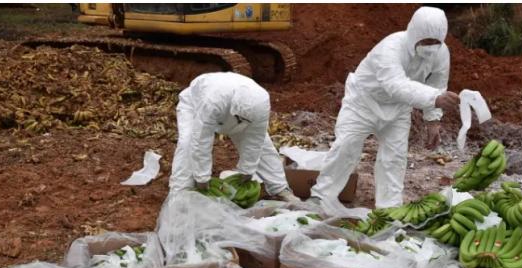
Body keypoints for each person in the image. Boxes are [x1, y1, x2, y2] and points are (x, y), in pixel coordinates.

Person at [310, 6, 460, 208]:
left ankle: (389, 209)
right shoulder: (390, 48)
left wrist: (433, 120)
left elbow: (438, 83)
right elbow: (395, 85)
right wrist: (435, 98)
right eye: (426, 41)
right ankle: (320, 197)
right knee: (346, 147)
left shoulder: (441, 53)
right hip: (364, 102)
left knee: (395, 158)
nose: (431, 47)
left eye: (436, 42)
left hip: (398, 108)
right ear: (414, 34)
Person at [169, 72, 298, 202]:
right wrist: (202, 178)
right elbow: (200, 141)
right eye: (240, 119)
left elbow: (255, 140)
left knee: (264, 145)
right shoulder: (213, 100)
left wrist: (247, 171)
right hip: (195, 106)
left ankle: (280, 188)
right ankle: (180, 195)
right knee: (188, 143)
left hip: (242, 116)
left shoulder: (261, 103)